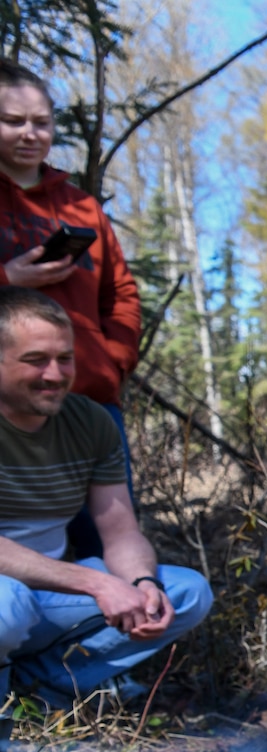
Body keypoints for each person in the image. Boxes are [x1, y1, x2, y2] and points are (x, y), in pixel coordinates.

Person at [0, 287, 211, 708]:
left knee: (187, 592)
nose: (56, 375)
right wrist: (97, 584)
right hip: (11, 597)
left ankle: (34, 691)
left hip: (47, 593)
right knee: (9, 603)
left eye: (65, 359)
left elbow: (120, 533)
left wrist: (142, 583)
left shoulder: (90, 421)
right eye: (36, 360)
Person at [0, 61, 142, 562]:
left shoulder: (81, 207)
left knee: (108, 543)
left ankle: (116, 637)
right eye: (13, 121)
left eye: (40, 122)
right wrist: (8, 280)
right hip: (9, 407)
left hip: (89, 402)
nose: (29, 134)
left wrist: (112, 361)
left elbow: (121, 295)